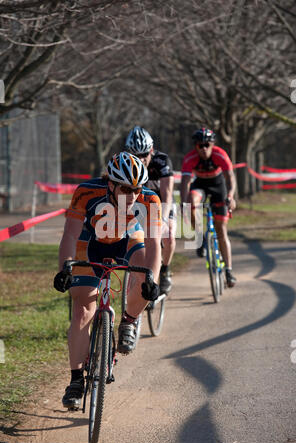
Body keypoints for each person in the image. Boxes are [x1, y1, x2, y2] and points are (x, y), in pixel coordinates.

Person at [54, 152, 162, 410]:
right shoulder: (86, 192)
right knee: (82, 308)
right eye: (126, 189)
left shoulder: (150, 199)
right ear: (110, 184)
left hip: (127, 241)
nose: (133, 195)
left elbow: (154, 244)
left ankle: (129, 320)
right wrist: (64, 269)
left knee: (144, 278)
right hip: (90, 243)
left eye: (137, 189)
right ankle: (76, 380)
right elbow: (70, 234)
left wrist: (152, 279)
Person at [180, 127, 237, 288]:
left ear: (212, 145)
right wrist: (184, 203)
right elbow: (185, 182)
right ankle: (200, 238)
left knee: (221, 230)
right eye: (200, 145)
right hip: (200, 185)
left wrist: (231, 196)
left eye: (207, 145)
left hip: (218, 185)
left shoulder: (220, 154)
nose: (204, 148)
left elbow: (230, 178)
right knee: (190, 201)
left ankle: (228, 270)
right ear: (195, 146)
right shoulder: (190, 158)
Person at [125, 126, 176, 295]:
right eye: (136, 156)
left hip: (162, 203)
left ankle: (165, 270)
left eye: (144, 155)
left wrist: (162, 221)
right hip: (139, 205)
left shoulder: (162, 161)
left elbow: (167, 194)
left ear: (151, 151)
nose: (140, 160)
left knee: (168, 237)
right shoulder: (126, 164)